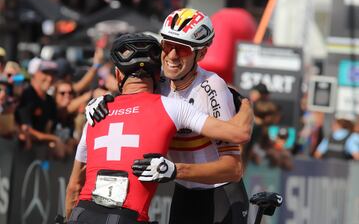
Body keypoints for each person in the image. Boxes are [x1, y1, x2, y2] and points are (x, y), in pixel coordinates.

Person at [65, 33, 253, 224]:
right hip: (133, 215)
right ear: (158, 75)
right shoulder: (172, 105)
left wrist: (100, 97)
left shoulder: (97, 113)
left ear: (117, 75)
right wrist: (245, 103)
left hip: (82, 214)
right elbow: (240, 133)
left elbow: (74, 186)